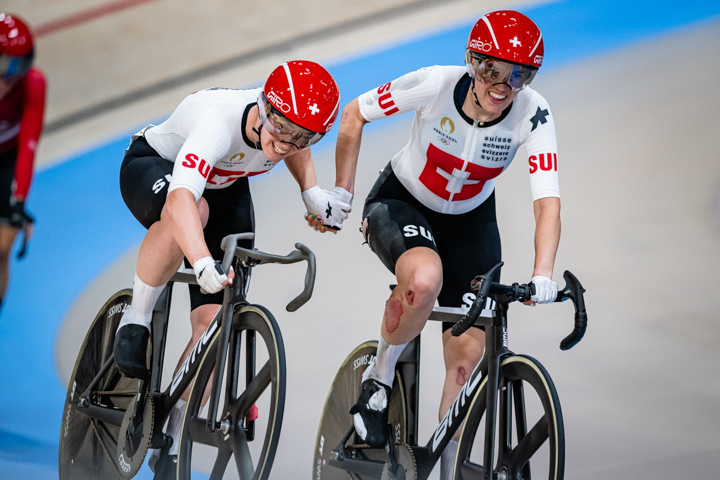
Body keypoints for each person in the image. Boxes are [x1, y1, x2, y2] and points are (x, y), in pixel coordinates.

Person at [332, 10, 560, 477]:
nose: (504, 85)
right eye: (493, 70)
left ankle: (446, 468)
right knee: (424, 279)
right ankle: (378, 381)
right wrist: (341, 194)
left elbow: (547, 200)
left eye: (520, 74)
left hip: (470, 221)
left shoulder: (533, 111)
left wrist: (543, 273)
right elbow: (354, 112)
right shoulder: (434, 83)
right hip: (402, 203)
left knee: (468, 361)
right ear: (472, 63)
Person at [113, 60, 351, 476]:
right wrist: (201, 261)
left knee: (215, 327)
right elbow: (182, 200)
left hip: (226, 183)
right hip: (156, 167)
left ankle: (171, 430)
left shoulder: (286, 129)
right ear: (263, 106)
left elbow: (294, 137)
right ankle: (136, 316)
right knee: (193, 214)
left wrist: (309, 192)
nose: (285, 143)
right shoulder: (216, 123)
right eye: (280, 128)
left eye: (302, 136)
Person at [0, 13, 45, 312]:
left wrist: (19, 200)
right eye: (6, 64)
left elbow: (29, 145)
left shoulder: (33, 83)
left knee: (2, 248)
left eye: (21, 65)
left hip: (8, 159)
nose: (11, 75)